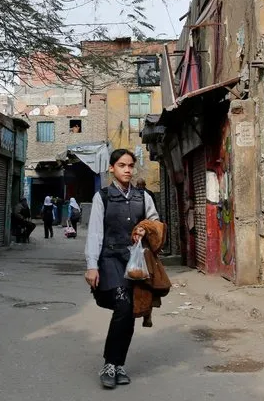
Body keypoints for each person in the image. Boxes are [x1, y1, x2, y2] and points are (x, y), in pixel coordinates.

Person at [84, 149, 159, 389]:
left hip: (135, 262)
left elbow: (154, 221)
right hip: (109, 260)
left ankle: (118, 364)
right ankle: (110, 364)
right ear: (112, 169)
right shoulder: (103, 197)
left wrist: (145, 229)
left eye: (130, 165)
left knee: (129, 311)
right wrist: (91, 266)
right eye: (121, 165)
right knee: (123, 305)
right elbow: (95, 233)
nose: (127, 169)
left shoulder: (143, 196)